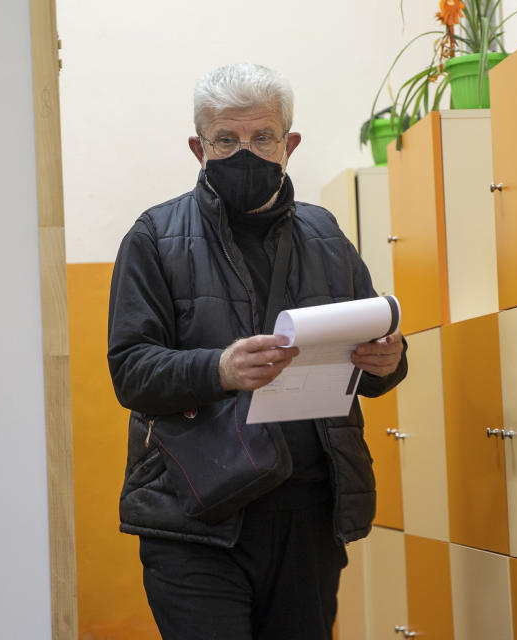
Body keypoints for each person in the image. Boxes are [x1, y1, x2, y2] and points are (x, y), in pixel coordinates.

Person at [107, 62, 407, 639]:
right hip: (194, 518)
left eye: (262, 137)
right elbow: (131, 371)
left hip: (309, 514)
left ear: (289, 144)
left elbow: (372, 358)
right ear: (199, 148)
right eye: (227, 139)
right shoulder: (153, 238)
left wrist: (390, 361)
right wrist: (220, 368)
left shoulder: (327, 236)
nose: (245, 151)